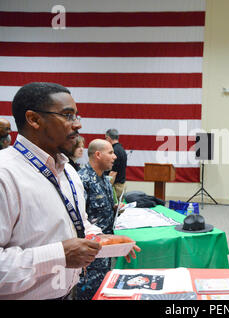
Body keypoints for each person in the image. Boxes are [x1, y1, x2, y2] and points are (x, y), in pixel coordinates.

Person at [0, 82, 139, 300]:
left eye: (76, 116)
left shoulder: (69, 172)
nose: (77, 125)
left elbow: (79, 224)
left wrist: (106, 241)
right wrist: (59, 255)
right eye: (67, 115)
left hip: (70, 292)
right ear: (34, 119)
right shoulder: (5, 174)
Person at [76, 139, 117, 300]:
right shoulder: (82, 179)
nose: (115, 157)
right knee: (89, 293)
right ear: (98, 155)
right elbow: (79, 218)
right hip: (90, 254)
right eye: (111, 153)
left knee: (102, 291)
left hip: (105, 249)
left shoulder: (104, 179)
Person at [105, 128, 127, 199]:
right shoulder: (121, 149)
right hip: (121, 184)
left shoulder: (114, 151)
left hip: (116, 186)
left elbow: (113, 173)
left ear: (108, 138)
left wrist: (107, 188)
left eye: (106, 138)